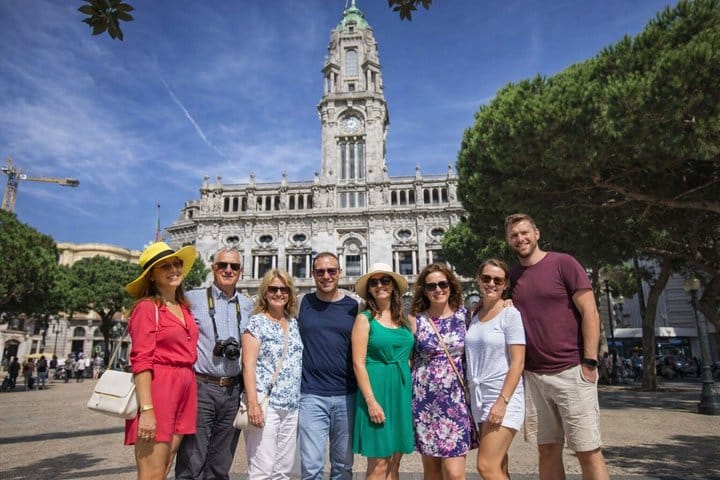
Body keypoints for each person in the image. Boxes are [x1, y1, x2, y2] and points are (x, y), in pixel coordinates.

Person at [504, 213, 609, 480]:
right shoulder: (512, 276)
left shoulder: (564, 263)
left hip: (571, 370)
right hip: (534, 377)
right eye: (514, 235)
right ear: (508, 241)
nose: (520, 238)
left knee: (587, 450)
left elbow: (590, 312)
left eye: (525, 233)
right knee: (547, 450)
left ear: (536, 233)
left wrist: (590, 361)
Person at [124, 241, 200, 480]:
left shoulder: (184, 308)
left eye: (176, 263)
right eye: (164, 266)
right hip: (161, 385)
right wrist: (146, 410)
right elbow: (141, 359)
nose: (174, 269)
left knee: (166, 465)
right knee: (152, 473)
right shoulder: (147, 308)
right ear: (151, 276)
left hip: (186, 384)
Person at [176, 247, 253, 480]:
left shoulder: (247, 305)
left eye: (234, 266)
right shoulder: (192, 299)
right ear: (213, 268)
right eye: (222, 265)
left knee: (221, 463)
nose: (228, 270)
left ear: (241, 271)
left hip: (233, 390)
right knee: (192, 459)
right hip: (202, 387)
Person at [297, 252, 360, 480]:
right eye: (320, 271)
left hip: (347, 395)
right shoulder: (301, 303)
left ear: (339, 272)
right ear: (313, 274)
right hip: (310, 395)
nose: (326, 276)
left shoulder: (354, 306)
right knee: (311, 467)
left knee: (343, 467)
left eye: (331, 271)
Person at [409, 263, 474, 480]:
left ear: (451, 286)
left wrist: (507, 301)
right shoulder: (415, 319)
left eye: (442, 284)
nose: (438, 289)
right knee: (432, 471)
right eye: (431, 286)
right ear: (424, 290)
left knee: (455, 473)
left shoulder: (465, 316)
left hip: (456, 400)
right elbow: (407, 358)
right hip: (424, 401)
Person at [351, 263, 414, 479]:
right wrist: (371, 402)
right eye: (374, 282)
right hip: (376, 391)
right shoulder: (364, 319)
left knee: (395, 461)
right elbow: (358, 363)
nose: (380, 285)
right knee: (378, 463)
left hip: (401, 391)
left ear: (393, 285)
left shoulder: (403, 320)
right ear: (369, 289)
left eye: (385, 280)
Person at [465, 259, 526, 480]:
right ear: (478, 280)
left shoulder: (511, 314)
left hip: (502, 395)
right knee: (499, 466)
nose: (491, 283)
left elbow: (518, 362)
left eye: (498, 280)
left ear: (505, 284)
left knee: (486, 466)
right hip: (479, 398)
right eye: (486, 278)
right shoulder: (474, 314)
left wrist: (502, 401)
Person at [241, 269, 303, 479]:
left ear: (290, 293)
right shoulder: (257, 322)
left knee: (283, 470)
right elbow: (248, 365)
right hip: (266, 404)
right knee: (262, 470)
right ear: (264, 292)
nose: (278, 293)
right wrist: (253, 404)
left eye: (284, 289)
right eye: (273, 289)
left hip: (291, 405)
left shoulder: (293, 323)